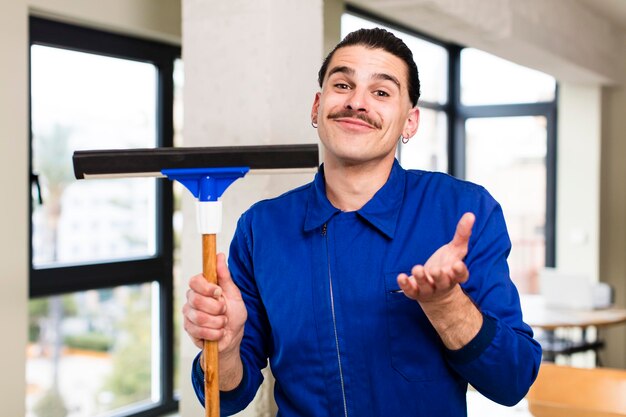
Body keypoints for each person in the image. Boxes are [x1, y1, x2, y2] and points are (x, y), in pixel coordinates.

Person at [183, 28, 542, 417]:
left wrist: (446, 304)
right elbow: (227, 396)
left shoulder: (463, 211)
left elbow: (513, 380)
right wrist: (229, 347)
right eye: (342, 84)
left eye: (382, 92)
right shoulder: (262, 228)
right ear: (317, 106)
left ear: (410, 122)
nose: (357, 102)